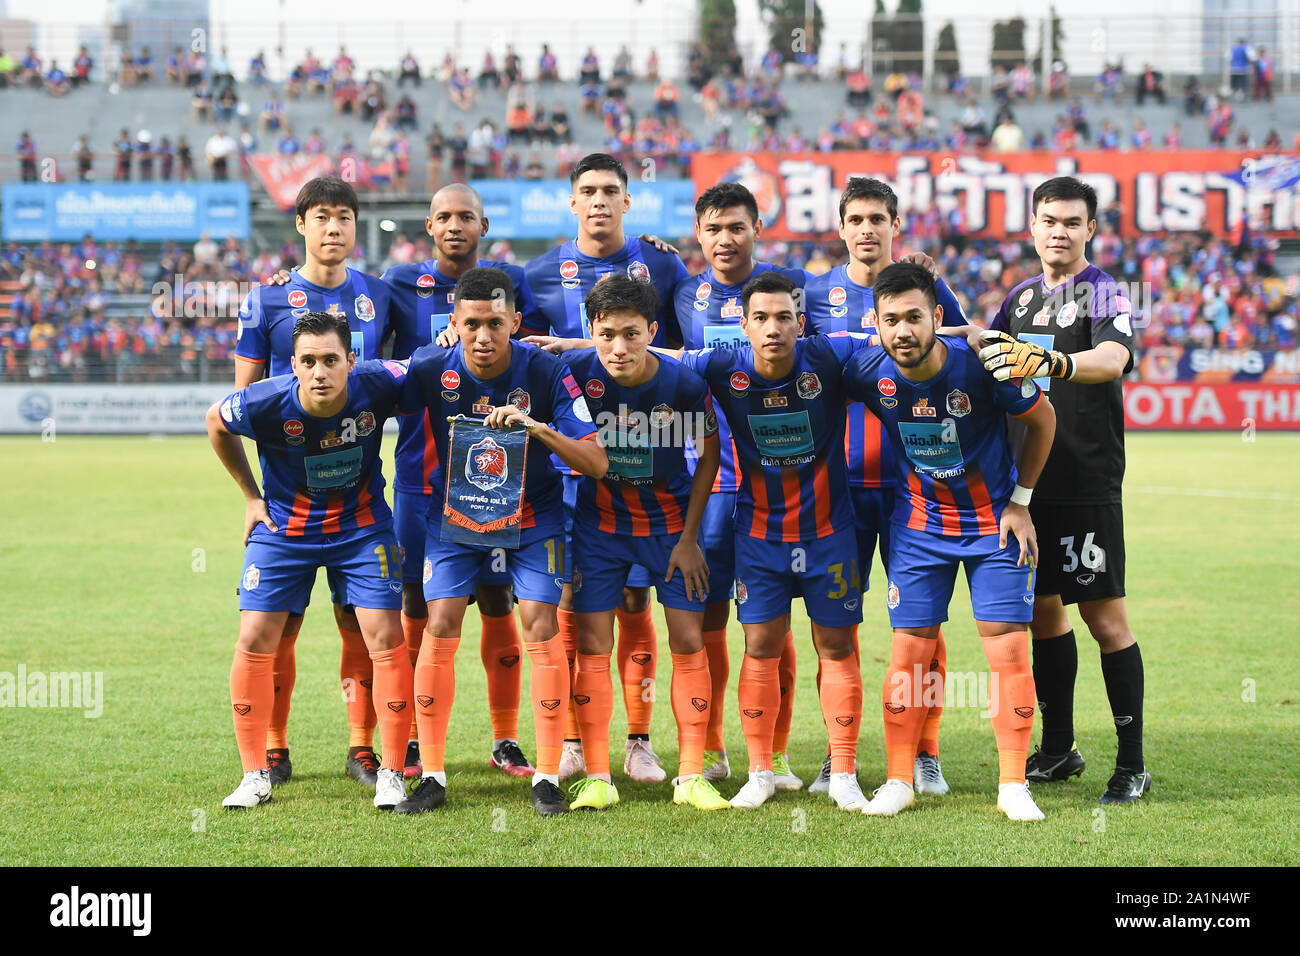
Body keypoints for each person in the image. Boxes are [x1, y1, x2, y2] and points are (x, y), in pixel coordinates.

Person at [842, 263, 1056, 821]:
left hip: (995, 526)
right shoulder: (868, 369)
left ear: (937, 316)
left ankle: (1013, 785)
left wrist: (1021, 502)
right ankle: (897, 779)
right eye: (891, 320)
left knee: (1008, 650)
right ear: (877, 323)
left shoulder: (984, 366)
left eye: (915, 317)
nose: (903, 331)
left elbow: (1045, 420)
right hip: (918, 529)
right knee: (909, 654)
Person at [396, 267, 608, 817]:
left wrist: (537, 427)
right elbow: (366, 396)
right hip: (458, 521)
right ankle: (434, 776)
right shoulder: (429, 367)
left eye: (495, 322)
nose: (484, 336)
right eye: (471, 324)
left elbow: (597, 461)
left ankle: (545, 777)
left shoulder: (547, 369)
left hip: (535, 518)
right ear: (454, 322)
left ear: (515, 320)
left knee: (539, 622)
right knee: (439, 622)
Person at [976, 176, 1149, 805]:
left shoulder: (1104, 292)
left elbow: (1113, 359)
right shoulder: (1019, 300)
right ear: (1032, 226)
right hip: (1028, 486)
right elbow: (983, 349)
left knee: (1104, 618)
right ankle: (1058, 748)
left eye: (1072, 222)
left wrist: (1053, 364)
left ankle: (1132, 763)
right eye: (1049, 220)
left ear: (1090, 229)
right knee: (1043, 611)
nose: (1059, 232)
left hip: (1086, 481)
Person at [523, 153, 690, 784]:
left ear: (628, 201)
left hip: (646, 460)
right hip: (569, 468)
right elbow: (524, 362)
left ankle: (640, 741)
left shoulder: (665, 264)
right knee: (572, 601)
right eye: (587, 191)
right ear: (572, 203)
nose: (598, 200)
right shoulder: (537, 273)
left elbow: (681, 354)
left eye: (610, 191)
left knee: (633, 596)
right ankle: (571, 739)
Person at [207, 310, 414, 811]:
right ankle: (254, 773)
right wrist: (251, 498)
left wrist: (453, 337)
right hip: (285, 532)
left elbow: (429, 365)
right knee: (255, 636)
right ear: (293, 365)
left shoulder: (379, 381)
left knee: (384, 635)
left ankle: (391, 772)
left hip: (362, 528)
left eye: (329, 360)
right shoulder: (264, 401)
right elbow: (215, 421)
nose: (319, 371)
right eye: (308, 361)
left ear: (351, 360)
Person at [803, 176, 966, 796]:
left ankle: (924, 752)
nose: (867, 229)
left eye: (879, 218)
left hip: (912, 491)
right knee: (833, 626)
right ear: (841, 228)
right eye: (857, 219)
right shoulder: (813, 294)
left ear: (895, 225)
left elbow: (971, 351)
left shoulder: (929, 291)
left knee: (922, 627)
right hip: (838, 489)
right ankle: (835, 752)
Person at [234, 176, 395, 790]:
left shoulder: (382, 295)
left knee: (359, 620)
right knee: (280, 625)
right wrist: (255, 494)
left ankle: (362, 747)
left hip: (358, 493)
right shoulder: (267, 301)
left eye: (345, 217)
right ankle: (273, 748)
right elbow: (243, 400)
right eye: (322, 216)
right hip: (287, 503)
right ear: (300, 224)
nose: (334, 228)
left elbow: (398, 382)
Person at [382, 184, 543, 778]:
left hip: (495, 479)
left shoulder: (513, 282)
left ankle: (504, 740)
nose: (455, 225)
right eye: (444, 216)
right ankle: (415, 741)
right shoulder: (395, 285)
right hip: (421, 477)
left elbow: (539, 346)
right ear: (428, 225)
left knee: (498, 596)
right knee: (418, 602)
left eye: (466, 216)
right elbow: (368, 356)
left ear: (483, 223)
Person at [563, 275, 729, 811]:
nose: (618, 347)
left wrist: (689, 540)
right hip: (600, 530)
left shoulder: (681, 387)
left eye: (631, 334)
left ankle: (690, 776)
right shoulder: (577, 375)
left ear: (652, 331)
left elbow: (708, 457)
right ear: (591, 332)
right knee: (591, 645)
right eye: (607, 333)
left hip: (669, 529)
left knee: (687, 639)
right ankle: (595, 775)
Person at [671, 182, 808, 788]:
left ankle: (775, 752)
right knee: (707, 621)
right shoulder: (681, 293)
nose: (725, 240)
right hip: (711, 483)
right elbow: (638, 347)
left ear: (757, 229)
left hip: (783, 483)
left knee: (772, 624)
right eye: (714, 229)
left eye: (737, 227)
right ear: (698, 234)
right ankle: (715, 747)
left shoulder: (796, 288)